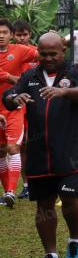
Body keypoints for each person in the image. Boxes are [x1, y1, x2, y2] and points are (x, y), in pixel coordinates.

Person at [3, 32, 78, 258]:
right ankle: (50, 255)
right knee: (43, 205)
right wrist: (14, 97)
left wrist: (64, 92)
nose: (48, 58)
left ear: (63, 51)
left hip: (70, 149)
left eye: (53, 54)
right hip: (39, 152)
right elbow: (8, 96)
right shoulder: (30, 75)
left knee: (69, 195)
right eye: (43, 54)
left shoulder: (74, 72)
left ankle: (75, 241)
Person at [0, 19, 37, 208]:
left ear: (10, 35)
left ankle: (11, 191)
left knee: (14, 147)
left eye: (4, 32)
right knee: (1, 152)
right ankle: (8, 191)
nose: (1, 35)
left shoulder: (20, 50)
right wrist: (9, 77)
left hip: (14, 106)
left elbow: (43, 55)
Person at [12, 20, 37, 200]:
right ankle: (27, 186)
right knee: (23, 146)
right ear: (14, 35)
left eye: (25, 34)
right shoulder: (10, 52)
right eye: (19, 35)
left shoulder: (38, 53)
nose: (22, 38)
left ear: (30, 35)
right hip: (18, 105)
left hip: (38, 104)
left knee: (42, 144)